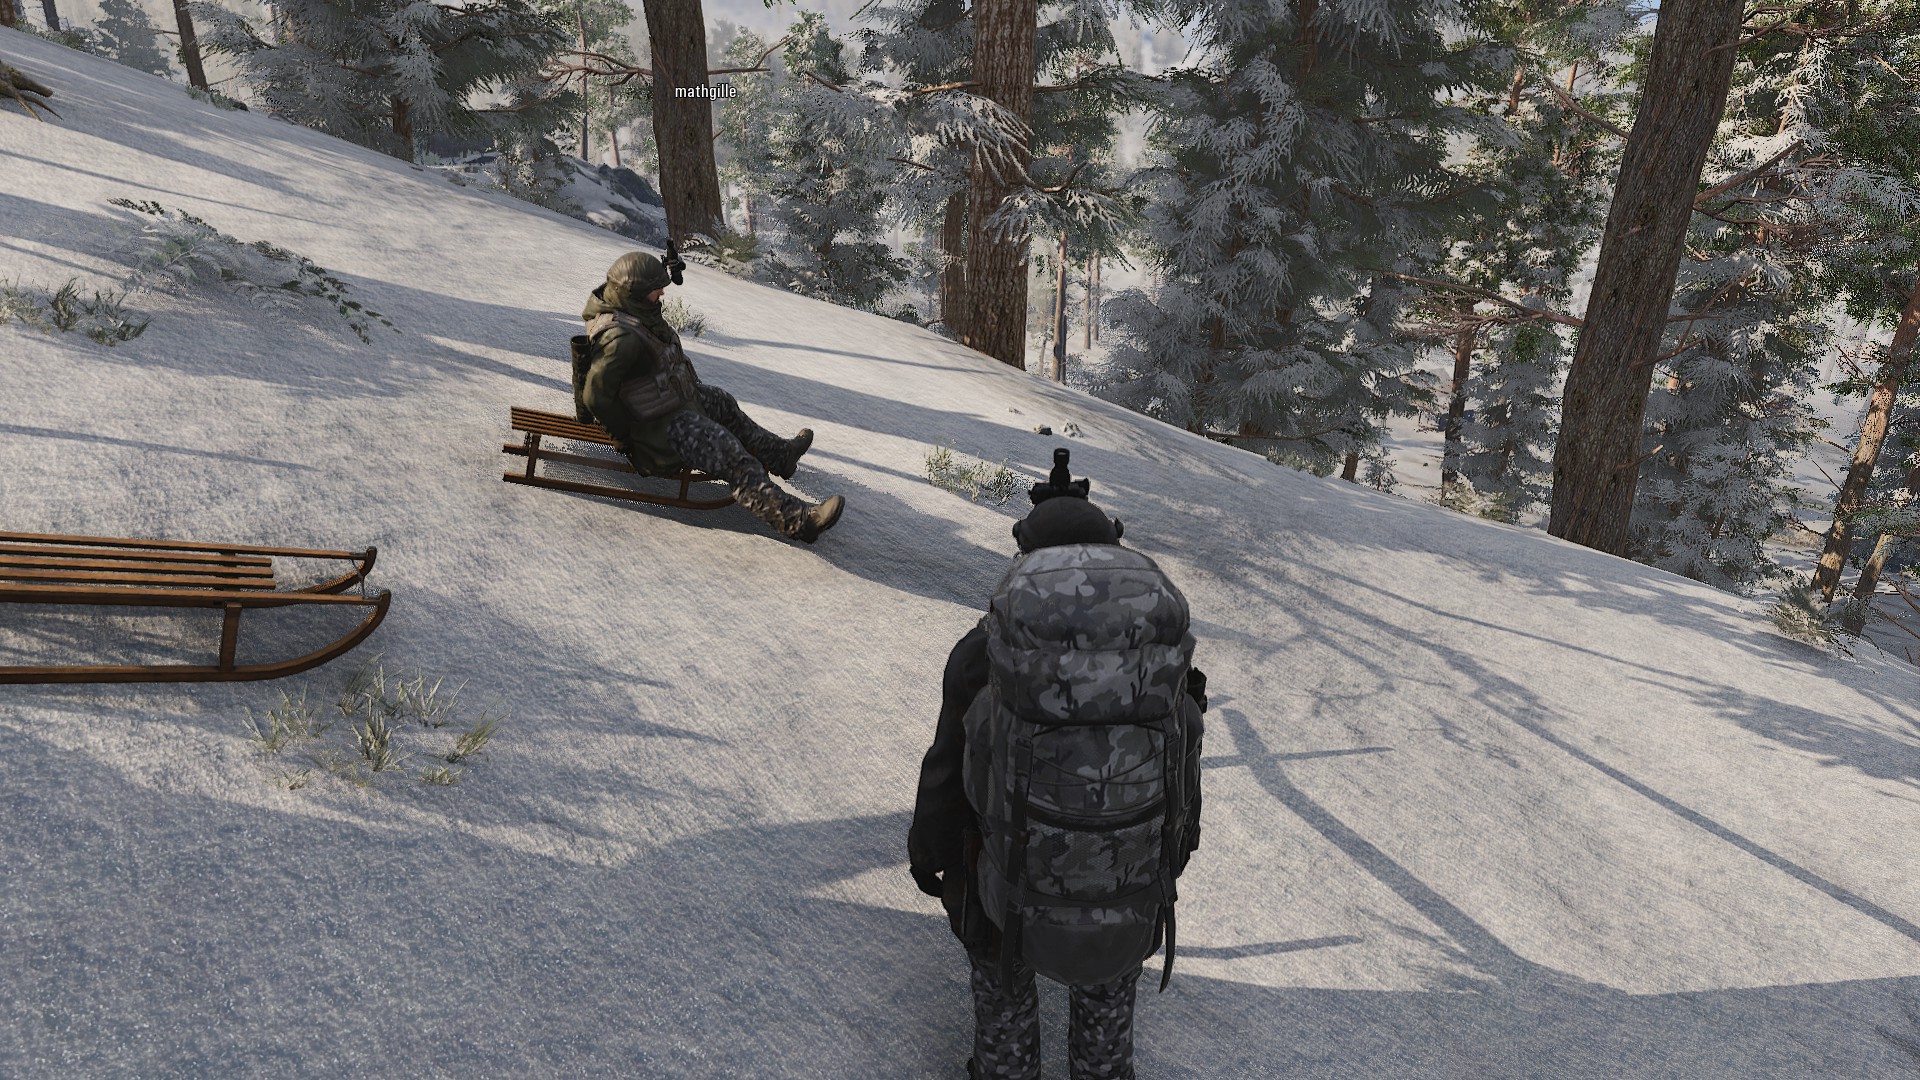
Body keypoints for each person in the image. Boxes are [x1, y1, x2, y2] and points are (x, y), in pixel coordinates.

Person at [910, 450, 1207, 1080]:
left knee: (1003, 994)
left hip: (1007, 890)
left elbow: (946, 773)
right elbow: (1186, 769)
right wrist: (1172, 856)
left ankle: (1007, 1067)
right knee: (1105, 1012)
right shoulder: (1163, 664)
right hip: (1127, 888)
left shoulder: (984, 655)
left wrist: (928, 855)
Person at [572, 249, 845, 543]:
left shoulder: (634, 310)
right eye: (655, 289)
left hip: (670, 405)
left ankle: (781, 456)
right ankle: (798, 520)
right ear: (635, 292)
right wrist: (625, 438)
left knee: (722, 403)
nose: (662, 292)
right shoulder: (621, 339)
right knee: (727, 450)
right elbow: (596, 397)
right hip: (654, 431)